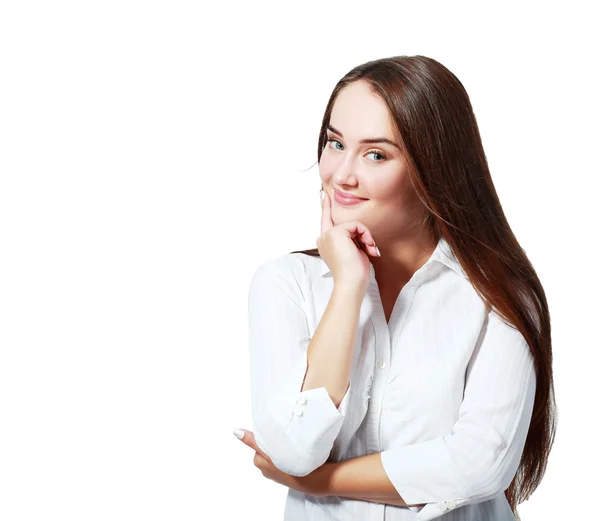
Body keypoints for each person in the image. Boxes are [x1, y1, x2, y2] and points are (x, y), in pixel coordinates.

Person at [234, 55, 556, 521]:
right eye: (335, 143)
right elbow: (293, 449)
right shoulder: (284, 284)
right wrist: (347, 287)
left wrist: (318, 483)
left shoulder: (499, 295)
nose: (341, 174)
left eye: (376, 154)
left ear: (434, 168)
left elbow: (480, 465)